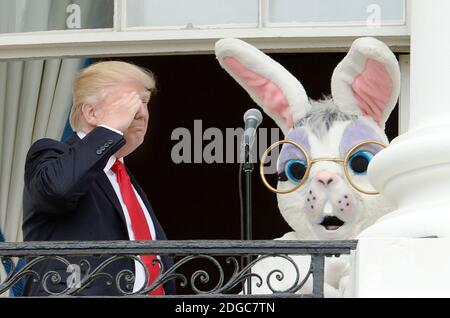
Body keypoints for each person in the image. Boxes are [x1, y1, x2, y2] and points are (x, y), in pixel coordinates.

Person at [22, 61, 175, 296]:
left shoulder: (124, 180)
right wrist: (110, 130)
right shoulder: (49, 155)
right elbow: (58, 190)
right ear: (92, 113)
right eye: (129, 103)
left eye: (144, 102)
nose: (142, 113)